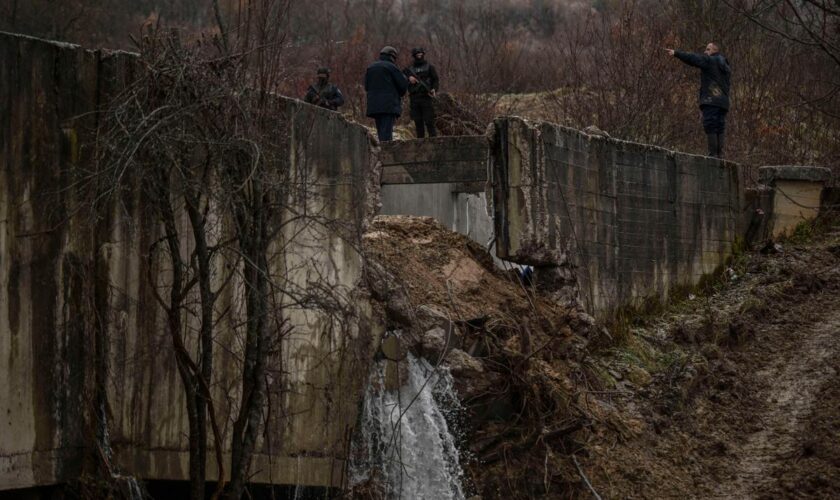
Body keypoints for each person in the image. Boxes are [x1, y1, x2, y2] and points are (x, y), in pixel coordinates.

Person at [666, 42, 731, 158]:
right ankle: (720, 155)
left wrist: (676, 53)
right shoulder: (725, 66)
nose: (705, 52)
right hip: (723, 102)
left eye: (708, 49)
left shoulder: (710, 61)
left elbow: (693, 58)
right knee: (720, 126)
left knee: (710, 125)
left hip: (711, 100)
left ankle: (713, 155)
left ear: (714, 51)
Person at [365, 46, 408, 142]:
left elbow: (366, 87)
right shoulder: (392, 67)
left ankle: (381, 152)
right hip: (389, 105)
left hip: (374, 105)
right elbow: (403, 86)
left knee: (380, 131)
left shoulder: (370, 67)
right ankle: (385, 154)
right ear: (392, 56)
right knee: (387, 134)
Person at [403, 47, 440, 138]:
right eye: (417, 53)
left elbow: (435, 80)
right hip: (414, 98)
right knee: (418, 122)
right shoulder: (409, 69)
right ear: (414, 55)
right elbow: (401, 77)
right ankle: (420, 144)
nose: (419, 55)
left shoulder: (430, 67)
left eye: (421, 53)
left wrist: (434, 89)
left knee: (429, 121)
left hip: (426, 97)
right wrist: (408, 78)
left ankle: (434, 142)